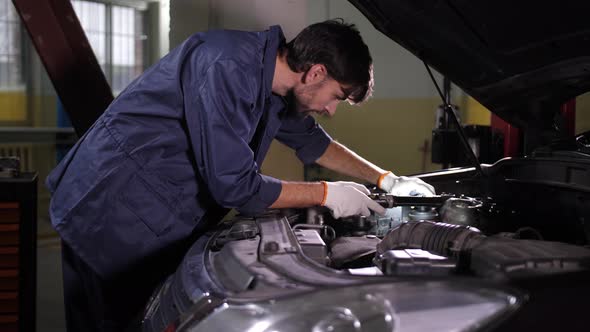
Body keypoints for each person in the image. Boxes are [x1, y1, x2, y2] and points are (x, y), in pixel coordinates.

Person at [46, 19, 435, 331]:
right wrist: (324, 194)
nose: (332, 109)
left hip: (148, 216)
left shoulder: (275, 89)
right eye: (337, 96)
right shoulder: (228, 65)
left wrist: (385, 179)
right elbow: (234, 185)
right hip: (107, 213)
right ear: (316, 72)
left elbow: (315, 144)